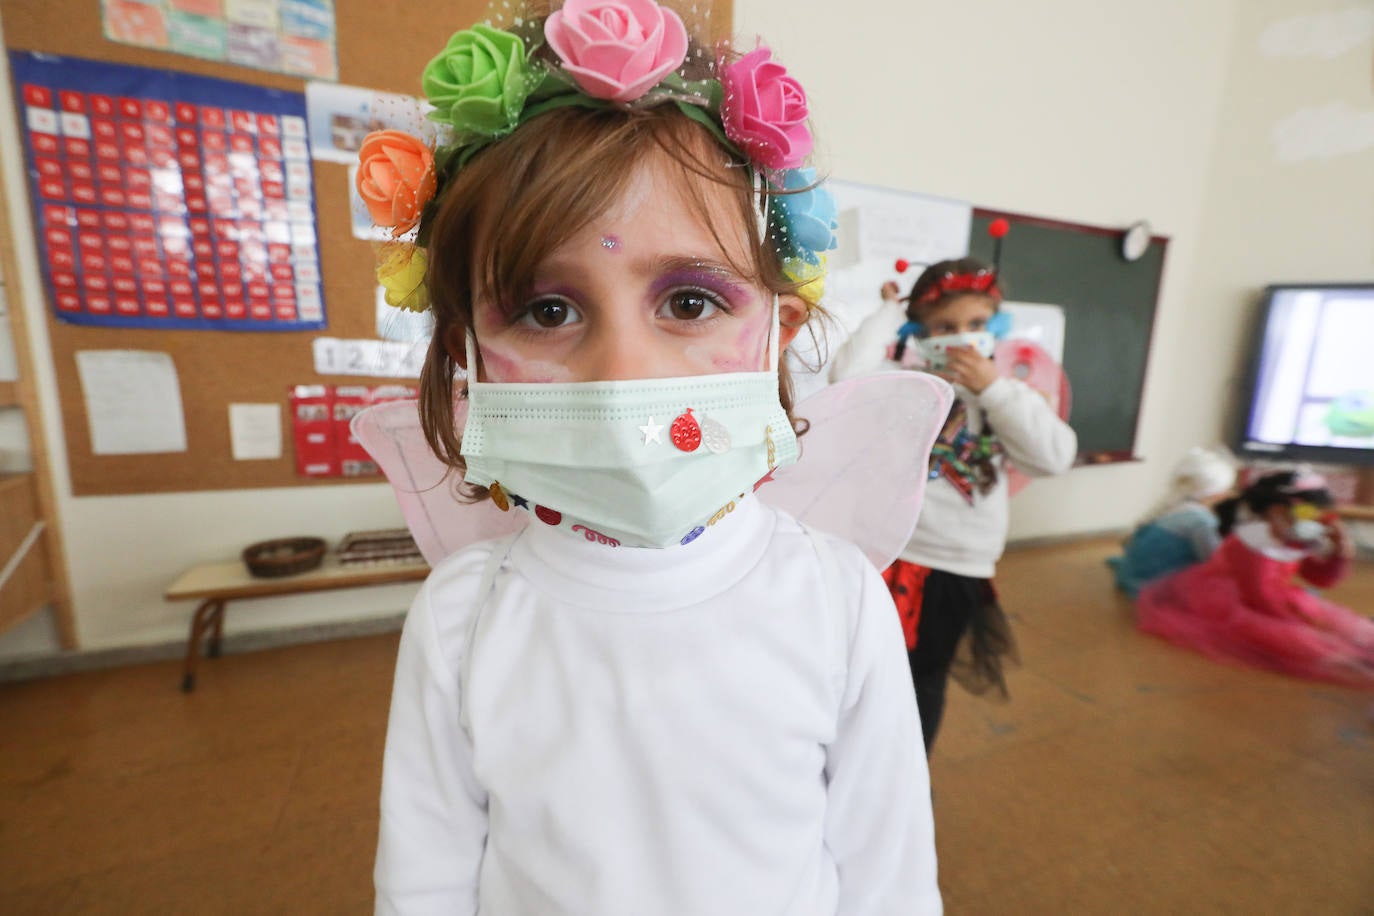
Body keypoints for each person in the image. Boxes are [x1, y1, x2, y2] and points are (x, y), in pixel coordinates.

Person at [359, 5, 941, 913]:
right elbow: (423, 882)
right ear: (468, 354)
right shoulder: (463, 618)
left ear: (779, 332)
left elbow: (887, 876)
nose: (622, 373)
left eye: (690, 303)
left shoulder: (836, 599)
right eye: (548, 311)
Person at [879, 257, 1077, 753]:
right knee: (872, 673)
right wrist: (887, 314)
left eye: (977, 324)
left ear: (997, 328)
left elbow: (1054, 458)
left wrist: (994, 390)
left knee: (924, 680)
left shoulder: (1013, 396)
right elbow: (845, 375)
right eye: (945, 327)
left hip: (957, 566)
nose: (963, 338)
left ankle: (908, 778)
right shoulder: (904, 385)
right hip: (890, 553)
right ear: (920, 333)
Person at [1137, 469, 1374, 689]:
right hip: (1236, 601)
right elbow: (1258, 597)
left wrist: (1341, 551)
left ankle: (1357, 649)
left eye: (1321, 517)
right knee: (1301, 641)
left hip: (1274, 597)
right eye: (1310, 515)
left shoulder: (1291, 538)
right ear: (1277, 512)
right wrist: (1300, 623)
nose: (1317, 523)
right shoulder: (1252, 542)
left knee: (1331, 621)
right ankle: (1350, 657)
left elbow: (1318, 579)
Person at [1108, 447, 1237, 597]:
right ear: (1218, 493)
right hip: (1152, 587)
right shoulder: (1201, 522)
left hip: (1131, 576)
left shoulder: (1174, 507)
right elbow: (1216, 562)